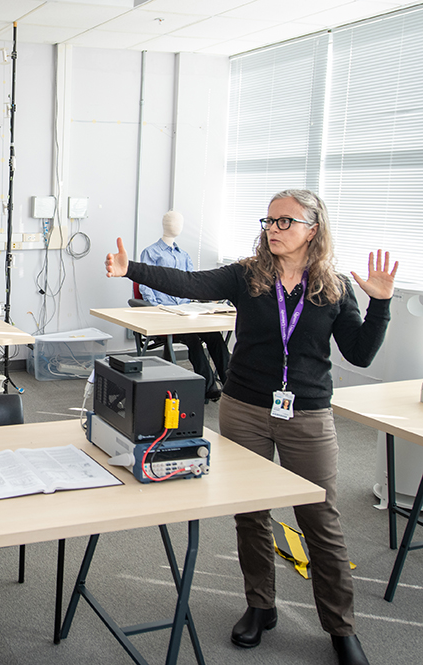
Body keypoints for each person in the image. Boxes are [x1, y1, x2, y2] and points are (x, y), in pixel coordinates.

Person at [105, 190, 397, 665]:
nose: (273, 229)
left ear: (313, 228)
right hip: (244, 407)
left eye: (285, 222)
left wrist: (380, 304)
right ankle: (261, 606)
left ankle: (340, 627)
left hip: (306, 416)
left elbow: (360, 353)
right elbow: (189, 282)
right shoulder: (248, 275)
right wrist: (131, 270)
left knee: (320, 520)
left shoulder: (335, 287)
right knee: (251, 513)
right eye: (269, 221)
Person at [137, 210, 230, 401]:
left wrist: (204, 301)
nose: (176, 226)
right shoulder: (151, 253)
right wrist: (158, 309)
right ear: (164, 224)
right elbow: (145, 285)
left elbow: (193, 284)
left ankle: (231, 384)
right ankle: (208, 386)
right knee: (193, 340)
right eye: (172, 222)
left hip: (186, 311)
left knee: (214, 337)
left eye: (179, 222)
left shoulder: (184, 255)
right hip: (165, 313)